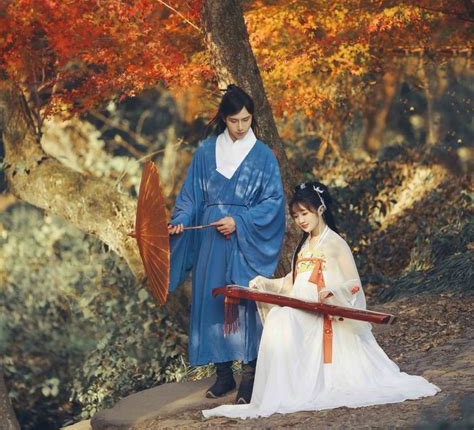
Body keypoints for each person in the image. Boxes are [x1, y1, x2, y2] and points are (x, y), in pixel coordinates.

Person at [202, 181, 440, 419]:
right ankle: (284, 389)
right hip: (302, 310)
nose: (300, 220)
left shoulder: (335, 243)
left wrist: (333, 292)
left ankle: (289, 388)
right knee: (279, 316)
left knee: (282, 317)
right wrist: (265, 283)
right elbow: (292, 282)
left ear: (320, 210)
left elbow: (354, 283)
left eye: (304, 214)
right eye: (296, 216)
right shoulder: (304, 245)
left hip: (323, 314)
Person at [168, 85, 286, 404]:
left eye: (246, 120)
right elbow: (191, 195)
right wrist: (180, 219)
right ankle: (224, 376)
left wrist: (240, 221)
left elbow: (275, 201)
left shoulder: (262, 155)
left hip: (244, 240)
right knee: (212, 302)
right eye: (234, 120)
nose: (241, 126)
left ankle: (249, 377)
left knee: (243, 302)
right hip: (210, 240)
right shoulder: (206, 151)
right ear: (223, 118)